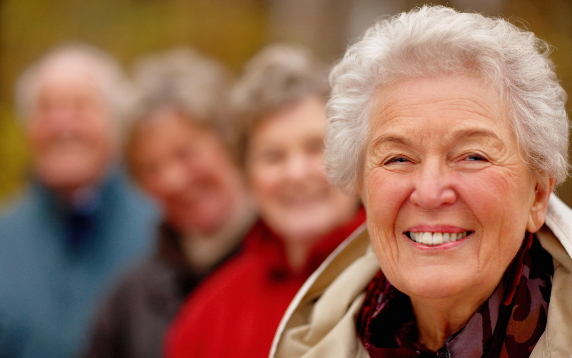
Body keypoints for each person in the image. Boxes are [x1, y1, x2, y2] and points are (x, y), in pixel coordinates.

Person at [270, 6, 572, 358]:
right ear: (363, 191)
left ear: (537, 195)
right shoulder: (308, 344)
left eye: (472, 156)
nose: (429, 193)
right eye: (398, 159)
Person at [164, 44, 366, 358]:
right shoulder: (209, 313)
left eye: (316, 147)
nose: (296, 174)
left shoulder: (403, 288)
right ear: (245, 172)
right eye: (273, 156)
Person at [84, 48, 256, 358]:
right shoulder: (129, 300)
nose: (172, 181)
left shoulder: (294, 265)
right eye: (151, 168)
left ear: (228, 141)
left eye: (185, 153)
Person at [0, 44, 159, 358]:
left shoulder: (160, 232)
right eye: (46, 109)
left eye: (80, 107)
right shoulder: (5, 238)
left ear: (114, 125)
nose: (62, 125)